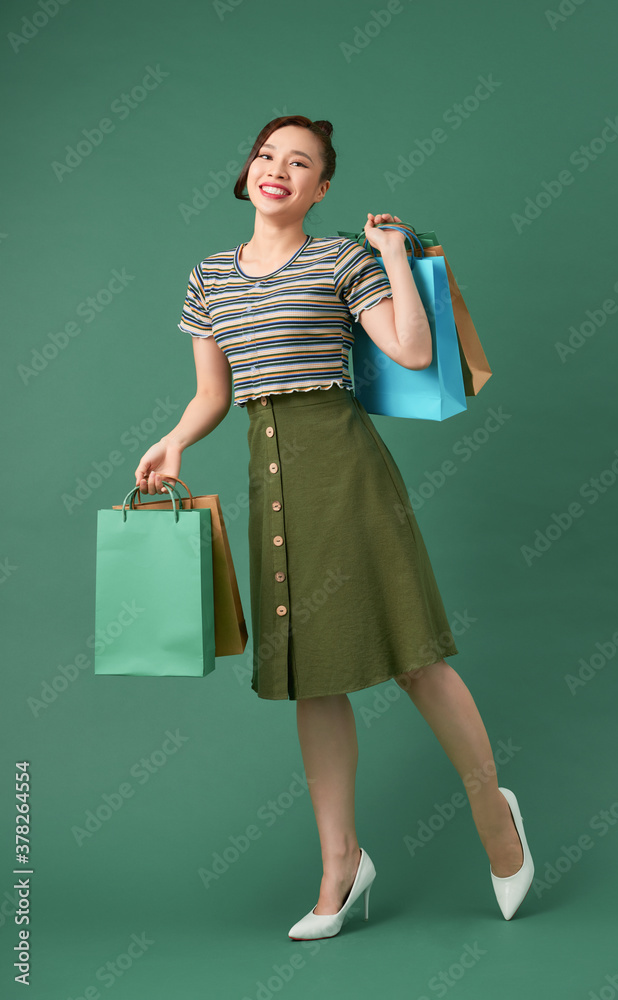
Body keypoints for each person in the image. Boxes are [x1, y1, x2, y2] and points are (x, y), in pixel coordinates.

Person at [135, 115, 534, 938]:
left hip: (343, 466)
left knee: (412, 655)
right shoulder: (208, 275)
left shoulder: (339, 258)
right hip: (267, 475)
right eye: (267, 155)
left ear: (320, 189)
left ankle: (494, 814)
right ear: (246, 173)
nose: (278, 168)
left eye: (301, 162)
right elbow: (216, 392)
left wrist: (390, 256)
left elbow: (414, 354)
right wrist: (174, 441)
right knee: (311, 675)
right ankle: (340, 866)